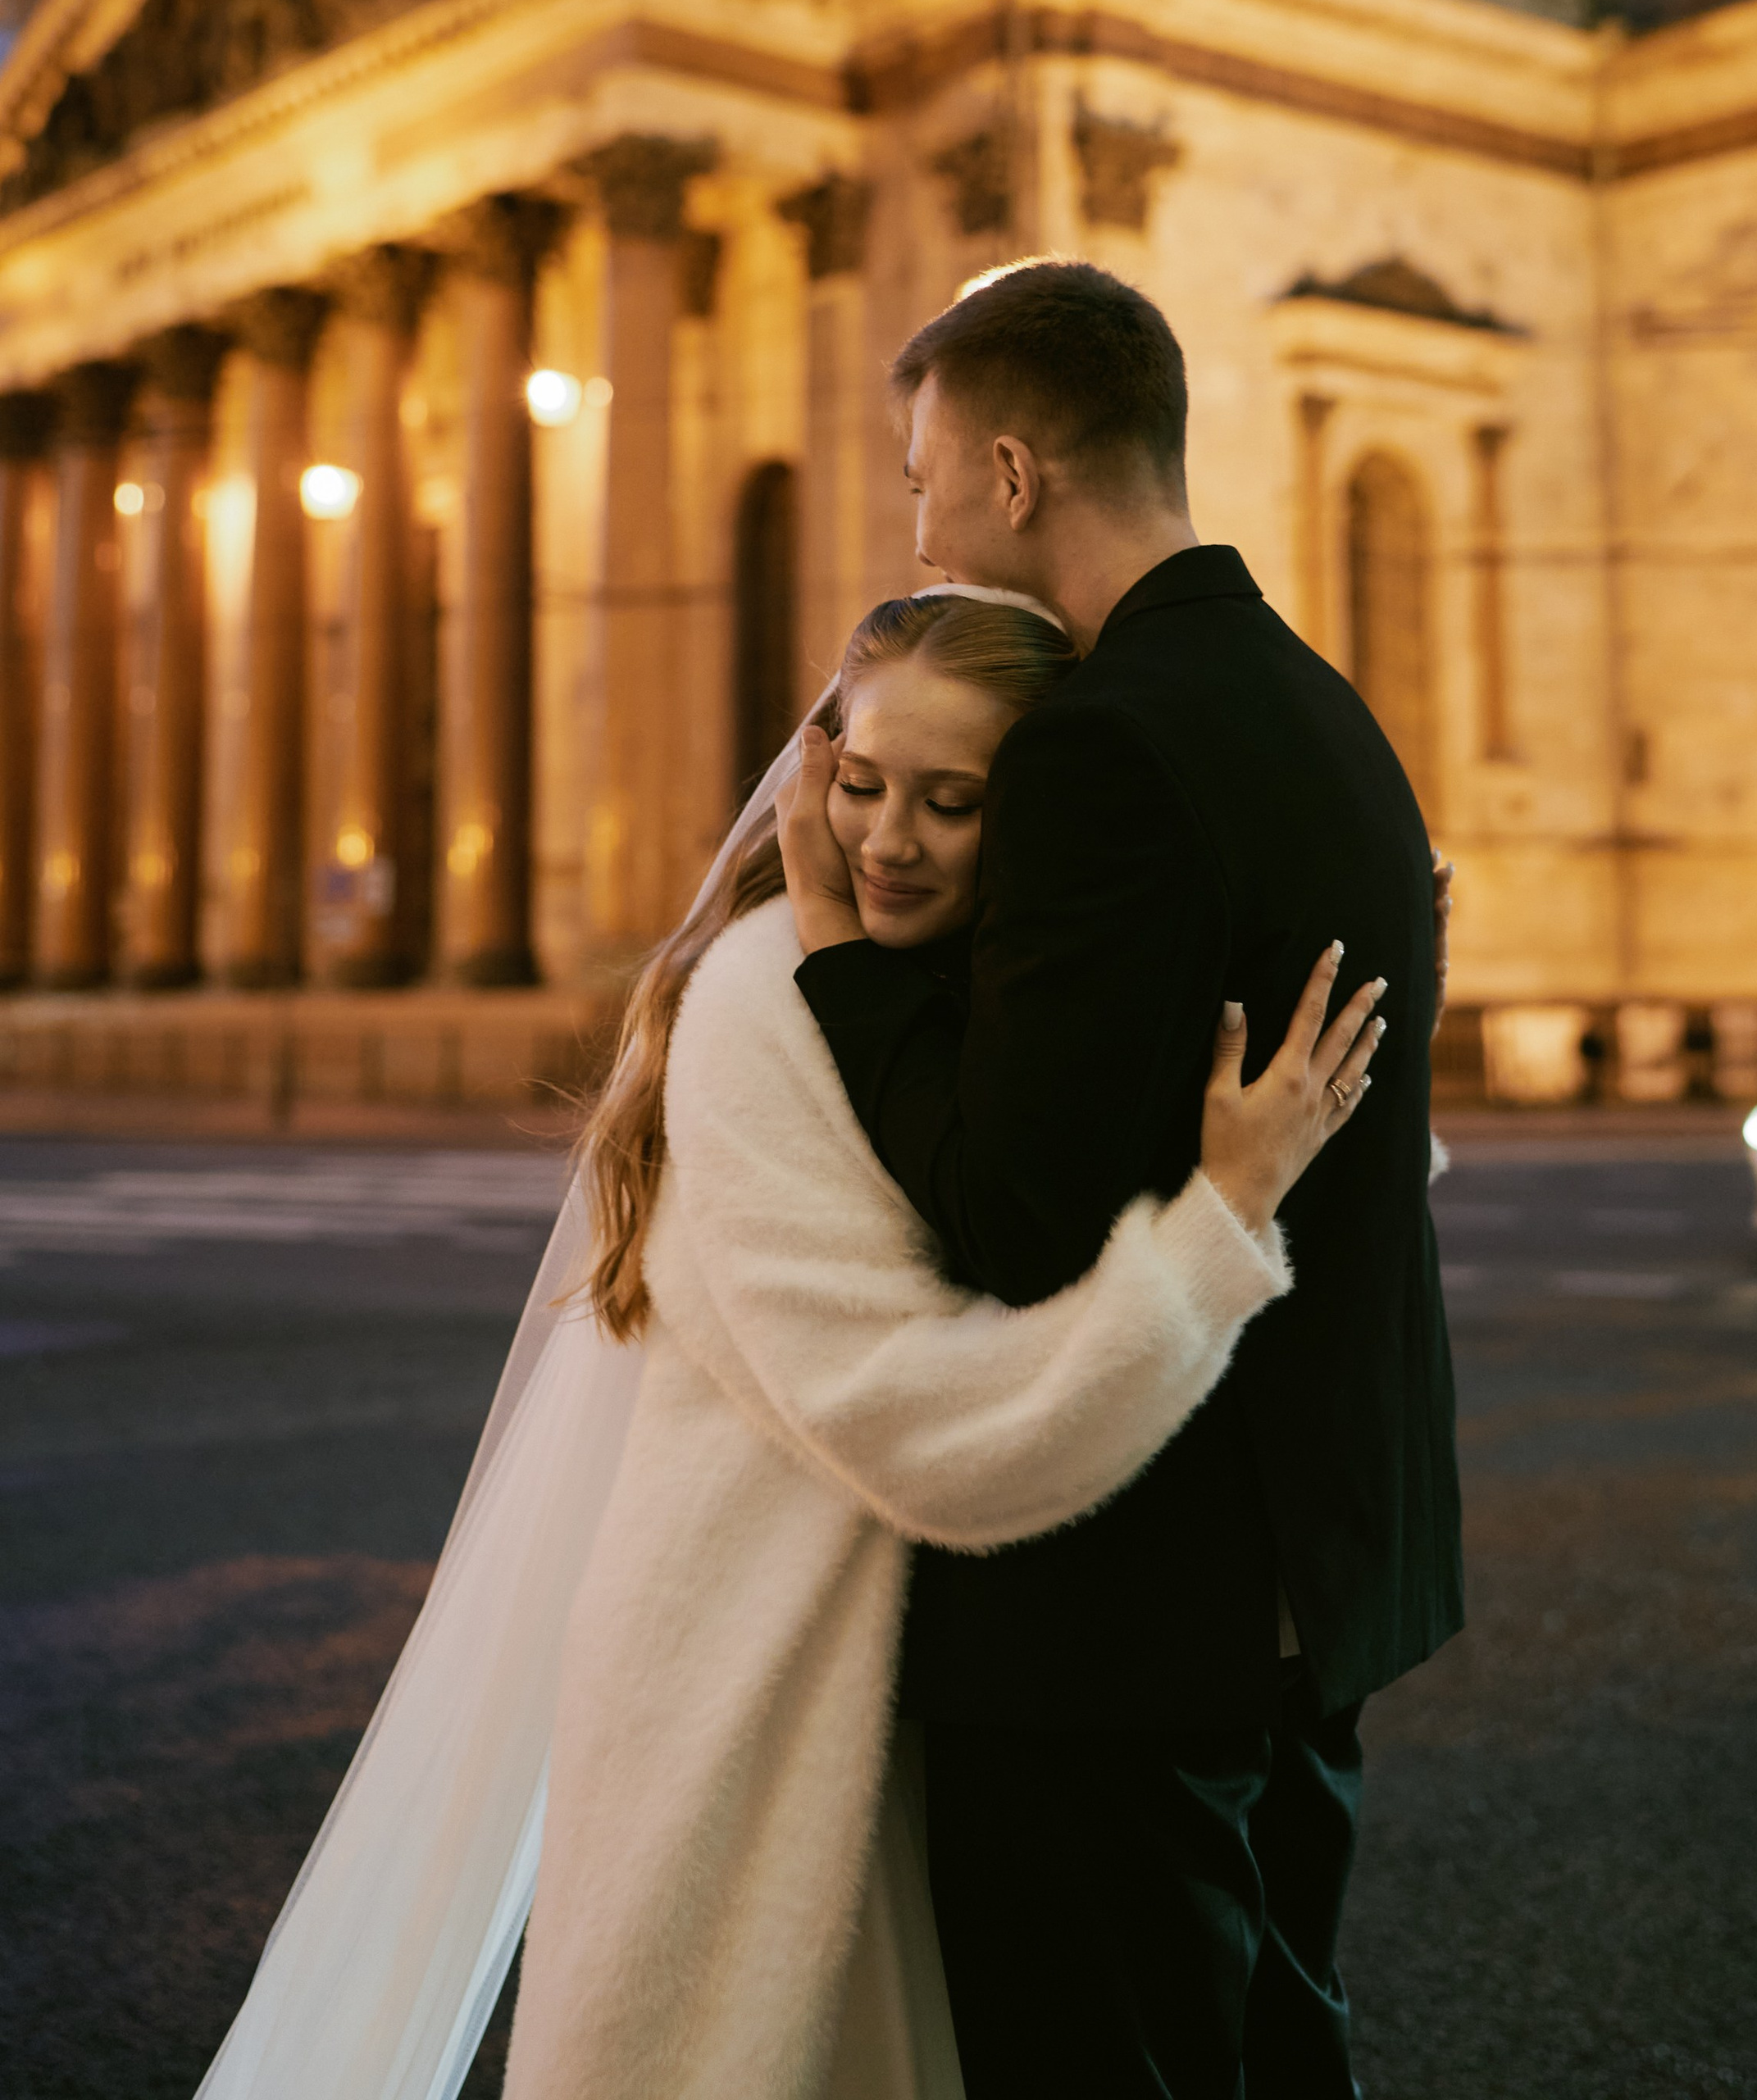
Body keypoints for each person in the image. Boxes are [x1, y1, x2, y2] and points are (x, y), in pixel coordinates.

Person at [193, 587, 1385, 2100]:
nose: (889, 840)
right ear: (813, 772)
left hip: (864, 1705)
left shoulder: (953, 994)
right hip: (740, 1715)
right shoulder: (769, 1004)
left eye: (953, 802)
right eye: (864, 784)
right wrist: (1222, 1226)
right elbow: (929, 1431)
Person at [780, 260, 1462, 2100]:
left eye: (926, 478)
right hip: (1320, 1555)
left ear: (1012, 474)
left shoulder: (1099, 744)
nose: (919, 523)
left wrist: (838, 951)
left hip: (1134, 1595)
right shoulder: (1321, 706)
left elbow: (1012, 1213)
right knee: (1276, 2043)